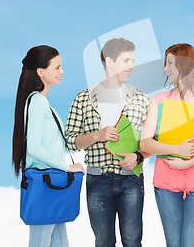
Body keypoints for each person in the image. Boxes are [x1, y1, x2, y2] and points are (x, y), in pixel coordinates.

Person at [64, 38, 150, 247]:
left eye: (132, 60)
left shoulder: (141, 98)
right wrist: (97, 135)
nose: (131, 66)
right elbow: (70, 140)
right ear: (109, 61)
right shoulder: (84, 98)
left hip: (131, 180)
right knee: (103, 242)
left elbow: (153, 140)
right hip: (98, 180)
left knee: (132, 241)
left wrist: (137, 157)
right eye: (126, 60)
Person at [139, 43, 194, 247]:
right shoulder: (160, 100)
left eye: (169, 63)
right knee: (173, 244)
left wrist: (188, 163)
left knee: (190, 244)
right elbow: (145, 143)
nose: (165, 69)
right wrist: (175, 150)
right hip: (166, 182)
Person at [12, 45, 85, 247]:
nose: (62, 72)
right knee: (41, 242)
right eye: (57, 67)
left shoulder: (42, 102)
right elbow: (34, 147)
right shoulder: (37, 102)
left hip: (51, 183)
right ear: (41, 72)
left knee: (60, 242)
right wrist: (67, 167)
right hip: (46, 182)